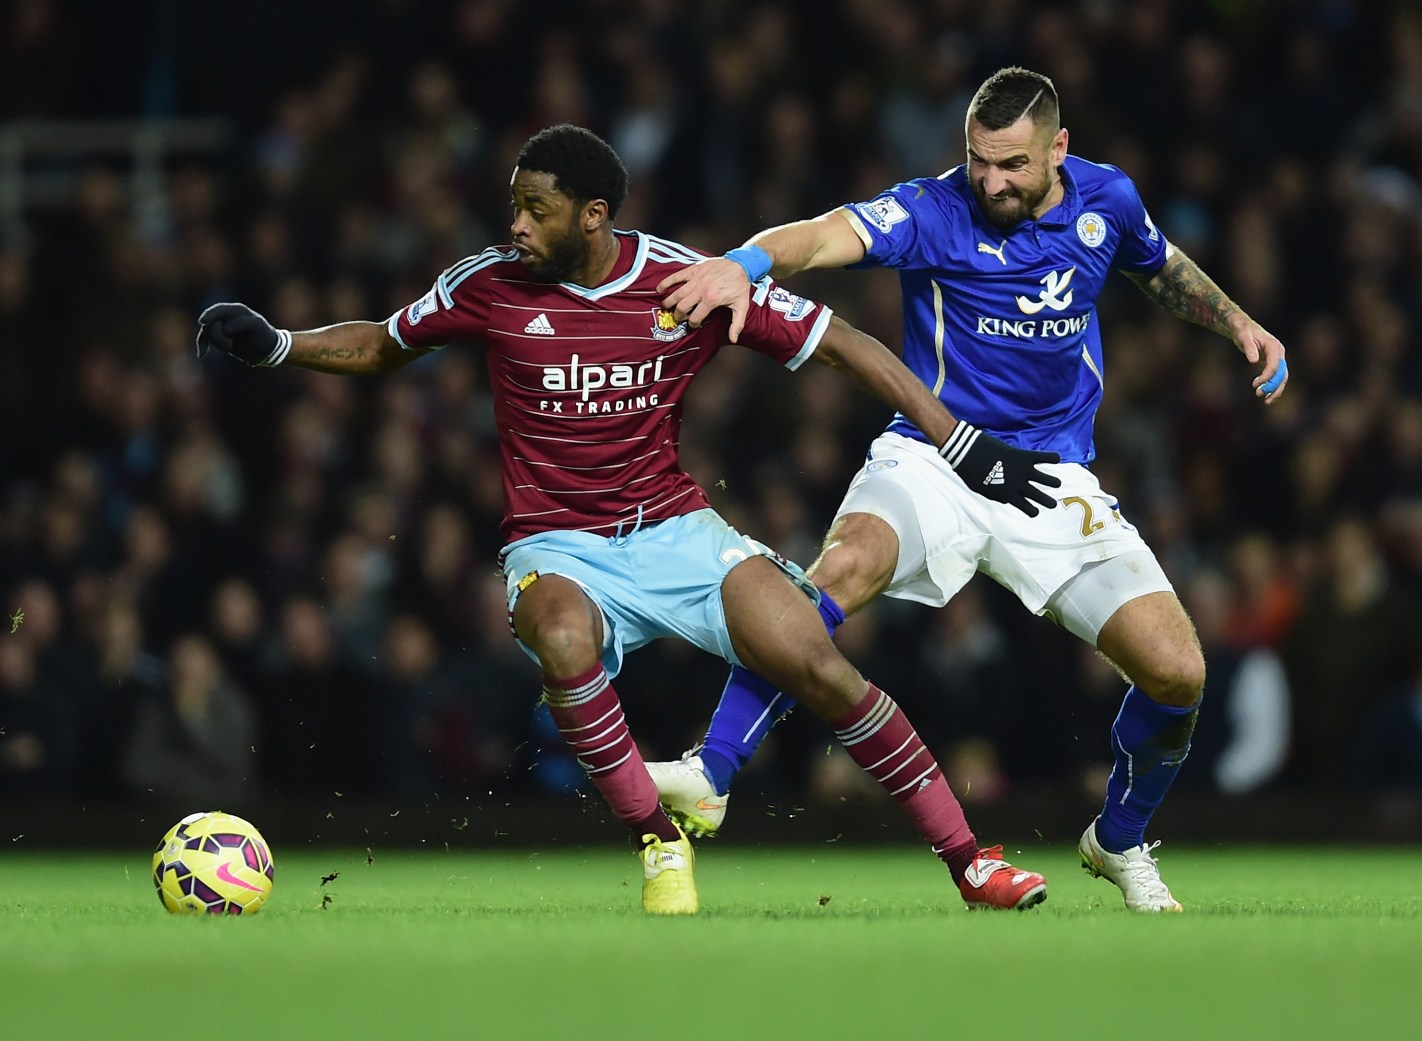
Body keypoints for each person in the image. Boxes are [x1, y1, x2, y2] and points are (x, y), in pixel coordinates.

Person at [195, 123, 1056, 914]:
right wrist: (280, 344)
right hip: (556, 544)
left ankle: (969, 859)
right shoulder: (486, 285)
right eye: (514, 207)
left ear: (594, 215)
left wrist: (959, 441)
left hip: (674, 529)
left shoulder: (684, 285)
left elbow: (845, 343)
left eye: (538, 210)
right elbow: (383, 343)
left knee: (816, 662)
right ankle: (657, 837)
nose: (518, 227)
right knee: (563, 641)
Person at [650, 67, 1290, 912]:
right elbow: (821, 234)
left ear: (1058, 149)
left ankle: (1118, 840)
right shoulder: (933, 208)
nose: (990, 181)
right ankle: (713, 772)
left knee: (1178, 673)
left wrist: (1238, 321)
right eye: (979, 159)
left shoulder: (1108, 201)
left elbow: (1160, 265)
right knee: (839, 569)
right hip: (936, 457)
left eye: (1013, 165)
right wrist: (742, 263)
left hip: (1050, 477)